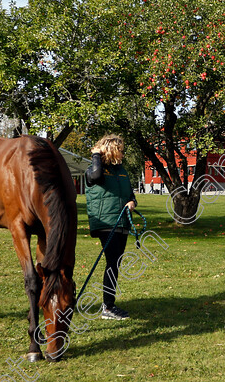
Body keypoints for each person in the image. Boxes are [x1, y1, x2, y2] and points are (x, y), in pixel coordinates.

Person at [85, 134, 137, 320]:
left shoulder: (121, 171)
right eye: (120, 150)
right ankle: (107, 307)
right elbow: (97, 176)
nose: (122, 154)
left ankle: (108, 305)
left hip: (122, 222)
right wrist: (96, 155)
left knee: (115, 263)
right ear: (110, 150)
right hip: (106, 223)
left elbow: (131, 194)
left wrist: (132, 202)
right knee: (112, 263)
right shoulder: (93, 169)